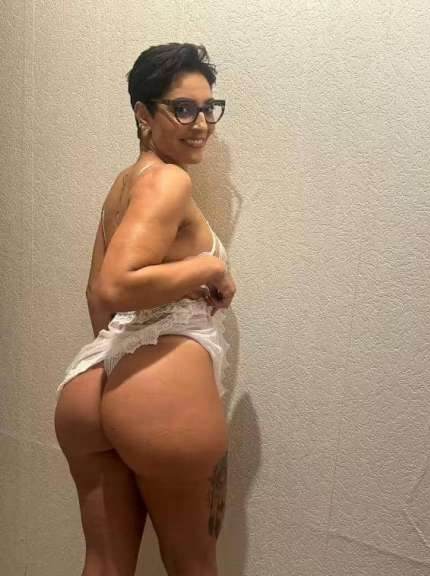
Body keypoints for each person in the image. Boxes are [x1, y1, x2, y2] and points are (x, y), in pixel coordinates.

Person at [53, 42, 236, 576]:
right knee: (193, 566)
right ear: (143, 113)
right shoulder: (170, 180)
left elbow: (96, 296)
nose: (201, 123)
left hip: (89, 383)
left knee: (104, 563)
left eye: (208, 107)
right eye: (183, 108)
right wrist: (209, 268)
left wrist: (118, 378)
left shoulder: (125, 184)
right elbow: (117, 284)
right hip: (163, 386)